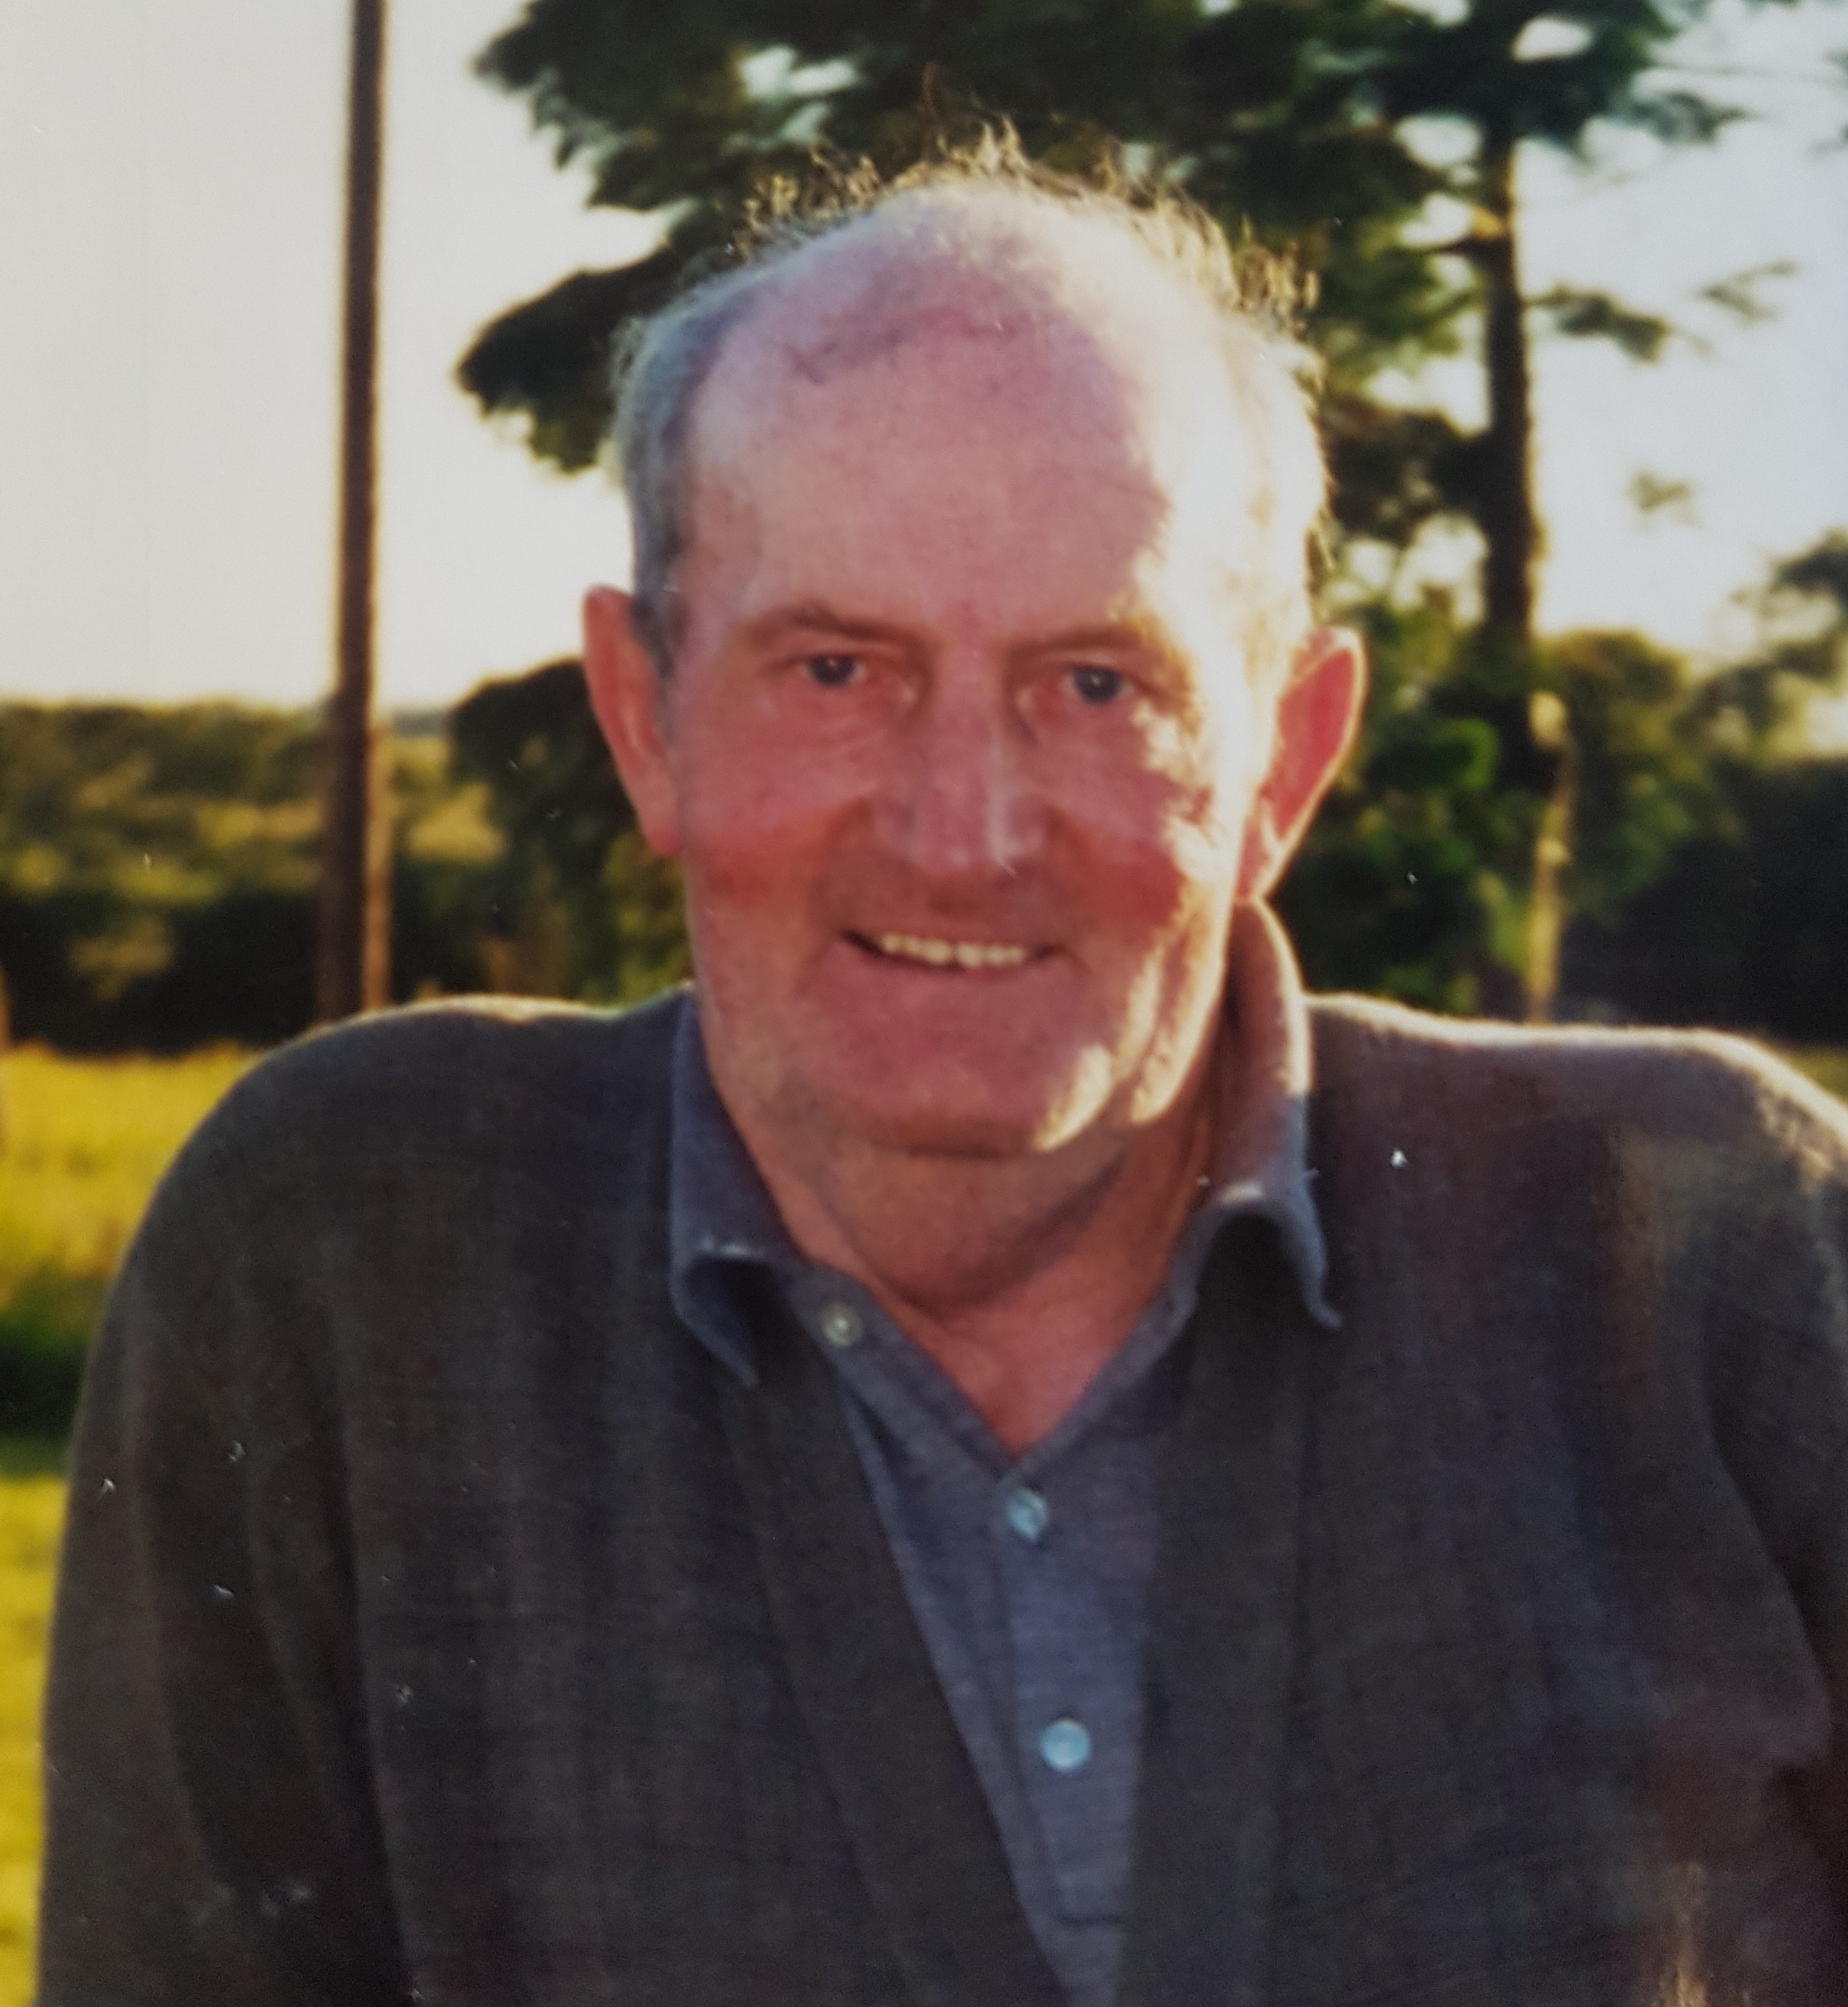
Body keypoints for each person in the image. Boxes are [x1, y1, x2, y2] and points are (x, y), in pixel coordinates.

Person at [38, 145, 1848, 2007]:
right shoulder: (351, 1254)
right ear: (644, 717)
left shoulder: (1717, 1255)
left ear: (1286, 764)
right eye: (837, 669)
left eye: (1098, 684)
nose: (962, 834)